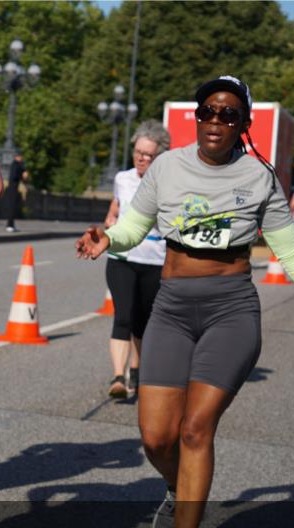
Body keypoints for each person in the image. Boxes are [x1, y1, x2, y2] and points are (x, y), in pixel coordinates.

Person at [76, 75, 294, 528]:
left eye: (228, 114)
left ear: (243, 124)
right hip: (171, 309)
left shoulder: (259, 177)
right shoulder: (166, 166)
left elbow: (292, 251)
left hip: (231, 311)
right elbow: (135, 228)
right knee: (156, 436)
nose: (215, 121)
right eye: (207, 111)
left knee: (195, 430)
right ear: (195, 117)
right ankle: (173, 485)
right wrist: (107, 237)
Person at [102, 120, 171, 398]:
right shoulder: (123, 179)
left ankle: (138, 371)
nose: (141, 159)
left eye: (148, 155)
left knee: (143, 320)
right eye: (138, 153)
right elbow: (115, 208)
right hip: (121, 257)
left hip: (154, 260)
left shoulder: (167, 185)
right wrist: (109, 221)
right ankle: (119, 378)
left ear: (159, 157)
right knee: (123, 315)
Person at [4, 153, 27, 232]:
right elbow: (14, 176)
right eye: (21, 157)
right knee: (12, 207)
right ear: (17, 157)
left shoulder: (18, 165)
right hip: (12, 189)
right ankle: (9, 225)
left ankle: (11, 225)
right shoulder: (15, 165)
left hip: (14, 188)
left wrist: (23, 175)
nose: (22, 158)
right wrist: (22, 175)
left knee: (13, 208)